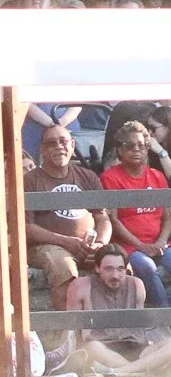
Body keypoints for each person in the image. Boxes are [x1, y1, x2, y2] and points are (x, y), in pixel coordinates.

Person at [98, 122, 171, 311]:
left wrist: (160, 241)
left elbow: (167, 217)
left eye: (141, 146)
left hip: (160, 242)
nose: (136, 149)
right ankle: (164, 320)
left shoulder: (157, 176)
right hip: (129, 246)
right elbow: (114, 220)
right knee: (147, 267)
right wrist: (140, 245)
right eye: (130, 145)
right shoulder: (110, 177)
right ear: (120, 150)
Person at [51, 247, 171, 377]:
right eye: (109, 269)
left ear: (126, 269)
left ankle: (120, 372)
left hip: (136, 348)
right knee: (91, 348)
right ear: (97, 268)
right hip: (102, 348)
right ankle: (144, 370)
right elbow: (70, 329)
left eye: (120, 269)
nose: (115, 275)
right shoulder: (82, 286)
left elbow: (141, 328)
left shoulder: (136, 284)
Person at [23, 126, 111, 297]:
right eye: (51, 143)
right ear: (42, 149)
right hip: (46, 247)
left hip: (88, 246)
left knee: (117, 262)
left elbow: (103, 218)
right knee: (63, 266)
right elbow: (26, 227)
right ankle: (68, 323)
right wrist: (66, 242)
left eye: (63, 141)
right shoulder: (29, 180)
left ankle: (119, 322)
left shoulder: (89, 176)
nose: (59, 147)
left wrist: (100, 244)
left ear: (72, 144)